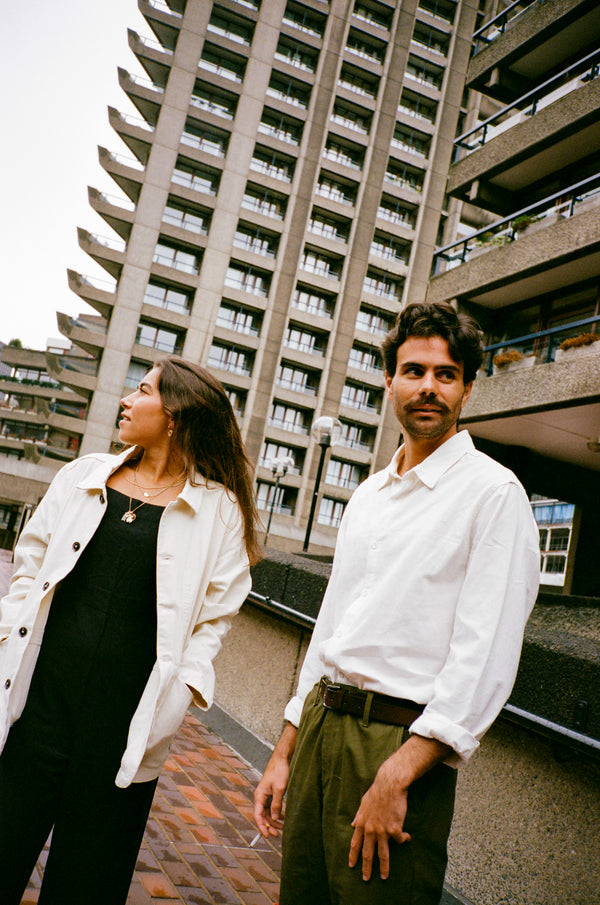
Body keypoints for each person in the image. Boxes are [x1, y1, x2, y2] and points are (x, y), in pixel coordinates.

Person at [254, 302, 540, 905]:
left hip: (396, 745)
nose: (427, 387)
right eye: (413, 371)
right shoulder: (368, 496)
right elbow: (332, 626)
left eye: (445, 374)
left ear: (466, 388)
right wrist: (285, 749)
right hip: (320, 729)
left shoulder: (494, 494)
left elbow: (483, 657)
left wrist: (397, 773)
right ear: (389, 383)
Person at [0, 357, 260, 905]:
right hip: (36, 714)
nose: (125, 399)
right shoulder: (82, 477)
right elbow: (31, 561)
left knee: (85, 887)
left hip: (122, 739)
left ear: (174, 416)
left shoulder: (220, 513)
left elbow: (214, 622)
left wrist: (181, 693)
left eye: (141, 391)